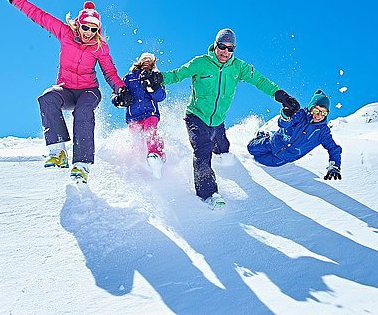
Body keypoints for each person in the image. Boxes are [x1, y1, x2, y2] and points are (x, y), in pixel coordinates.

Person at [0, 0, 133, 183]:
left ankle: (82, 165)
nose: (89, 33)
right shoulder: (65, 33)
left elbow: (109, 72)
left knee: (83, 111)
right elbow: (38, 15)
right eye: (86, 27)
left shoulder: (100, 47)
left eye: (94, 30)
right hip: (65, 89)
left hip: (88, 91)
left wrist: (120, 89)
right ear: (78, 25)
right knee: (47, 98)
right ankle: (58, 152)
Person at [160, 28, 300, 209]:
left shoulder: (239, 67)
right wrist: (158, 78)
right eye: (222, 46)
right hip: (196, 117)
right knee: (203, 151)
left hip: (218, 122)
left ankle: (224, 160)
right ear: (215, 45)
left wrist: (282, 96)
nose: (225, 52)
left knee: (223, 150)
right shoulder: (200, 63)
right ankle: (208, 194)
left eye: (230, 48)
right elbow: (176, 75)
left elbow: (260, 81)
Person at [247, 90, 342, 180]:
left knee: (257, 160)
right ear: (310, 108)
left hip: (282, 158)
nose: (319, 115)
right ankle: (263, 135)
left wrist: (334, 166)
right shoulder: (301, 114)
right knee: (250, 149)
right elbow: (283, 124)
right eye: (316, 111)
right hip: (273, 142)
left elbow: (333, 148)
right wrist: (285, 116)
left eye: (324, 113)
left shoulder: (323, 132)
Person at [113, 52, 166, 178]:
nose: (147, 61)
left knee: (150, 132)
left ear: (153, 63)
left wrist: (153, 87)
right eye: (145, 59)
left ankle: (156, 155)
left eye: (150, 60)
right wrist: (118, 100)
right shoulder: (129, 78)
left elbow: (161, 97)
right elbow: (116, 91)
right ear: (139, 62)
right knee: (137, 140)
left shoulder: (155, 77)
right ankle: (138, 162)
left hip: (150, 113)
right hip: (133, 116)